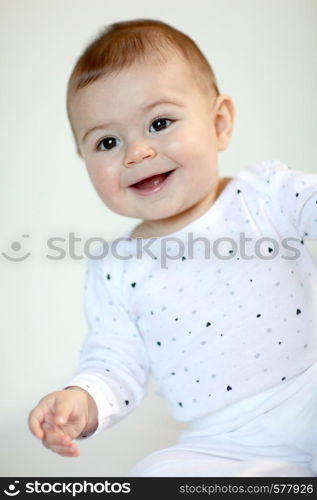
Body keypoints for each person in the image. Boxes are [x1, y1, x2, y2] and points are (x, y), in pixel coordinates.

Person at [28, 18, 317, 477]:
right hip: (220, 442)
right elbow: (113, 362)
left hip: (308, 390)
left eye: (159, 123)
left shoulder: (263, 194)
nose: (137, 152)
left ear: (219, 124)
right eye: (107, 141)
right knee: (156, 474)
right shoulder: (116, 270)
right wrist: (81, 400)